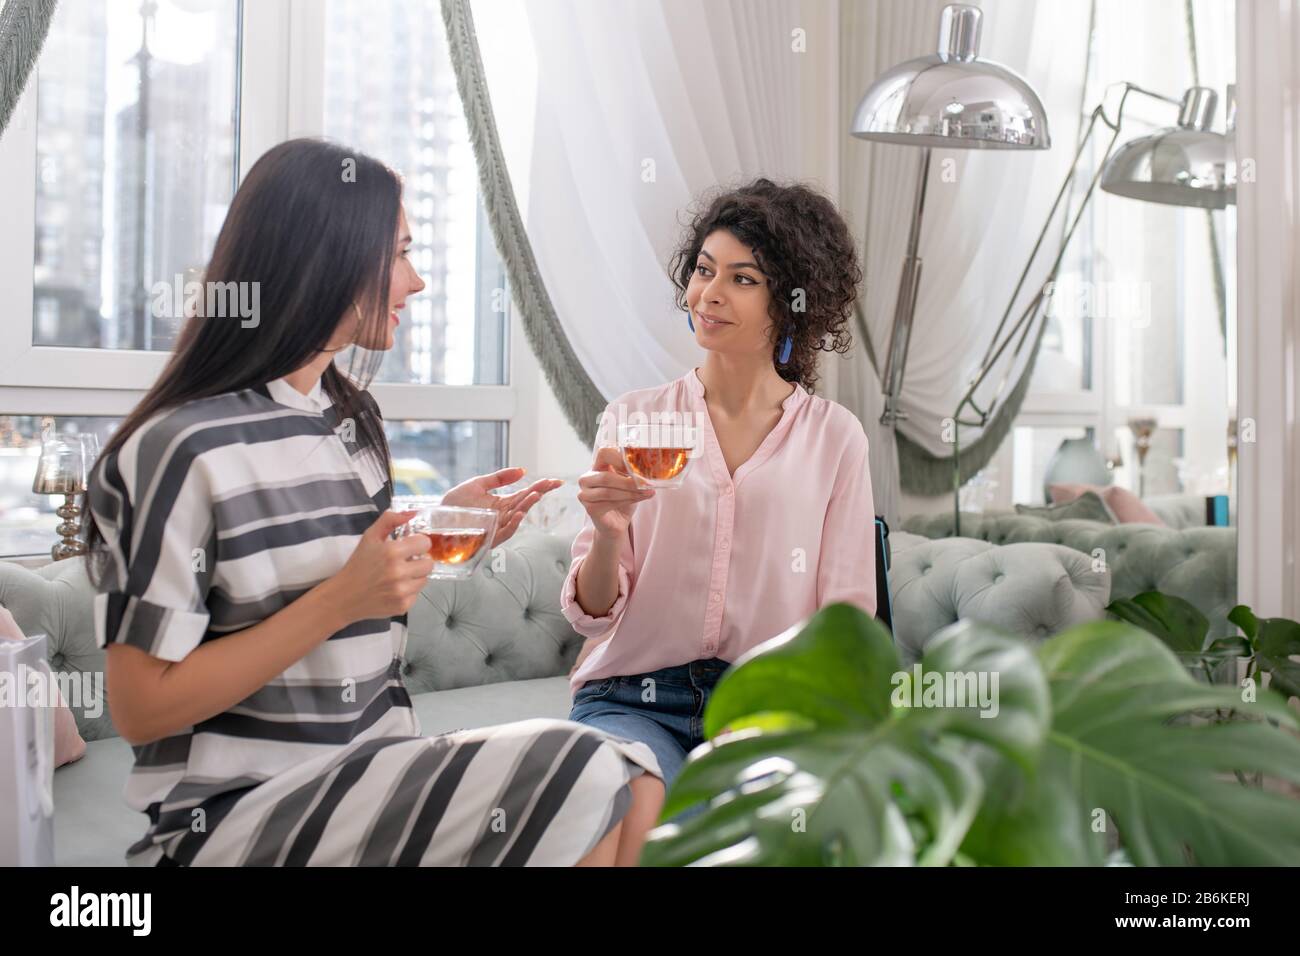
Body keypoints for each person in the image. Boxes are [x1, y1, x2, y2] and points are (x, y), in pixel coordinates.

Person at [83, 138, 663, 867]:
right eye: (398, 254)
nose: (415, 282)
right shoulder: (177, 450)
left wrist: (440, 532)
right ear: (328, 258)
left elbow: (342, 589)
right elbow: (141, 709)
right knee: (588, 766)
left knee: (635, 777)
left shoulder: (349, 419)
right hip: (239, 816)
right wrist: (342, 597)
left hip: (372, 774)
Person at [564, 179, 877, 787]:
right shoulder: (634, 420)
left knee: (734, 826)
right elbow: (594, 617)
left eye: (742, 279)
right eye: (704, 270)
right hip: (633, 698)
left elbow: (846, 619)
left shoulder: (836, 438)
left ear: (791, 300)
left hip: (769, 705)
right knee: (624, 799)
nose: (708, 294)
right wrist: (608, 536)